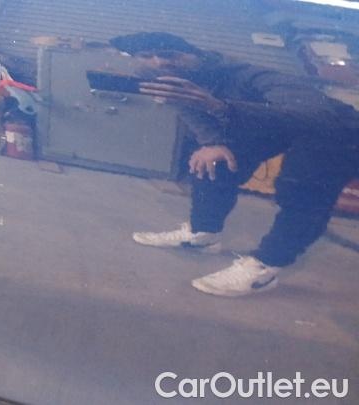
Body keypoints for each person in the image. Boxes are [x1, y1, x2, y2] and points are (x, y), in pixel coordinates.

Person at [111, 32, 359, 297]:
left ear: (196, 55)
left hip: (334, 130)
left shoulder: (250, 75)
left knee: (302, 191)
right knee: (211, 162)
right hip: (268, 127)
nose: (159, 62)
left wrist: (219, 106)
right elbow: (189, 111)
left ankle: (266, 267)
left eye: (169, 55)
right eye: (146, 56)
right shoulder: (163, 77)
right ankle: (202, 236)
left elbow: (313, 114)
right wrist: (212, 142)